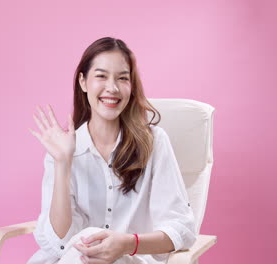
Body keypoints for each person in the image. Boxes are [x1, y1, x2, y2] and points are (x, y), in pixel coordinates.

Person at [27, 37, 197, 264]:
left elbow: (181, 229)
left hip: (129, 260)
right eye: (101, 76)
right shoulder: (63, 149)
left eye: (122, 78)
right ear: (83, 82)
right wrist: (63, 163)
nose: (112, 88)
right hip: (73, 259)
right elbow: (59, 243)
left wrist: (127, 243)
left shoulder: (155, 142)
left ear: (132, 86)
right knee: (86, 242)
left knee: (89, 240)